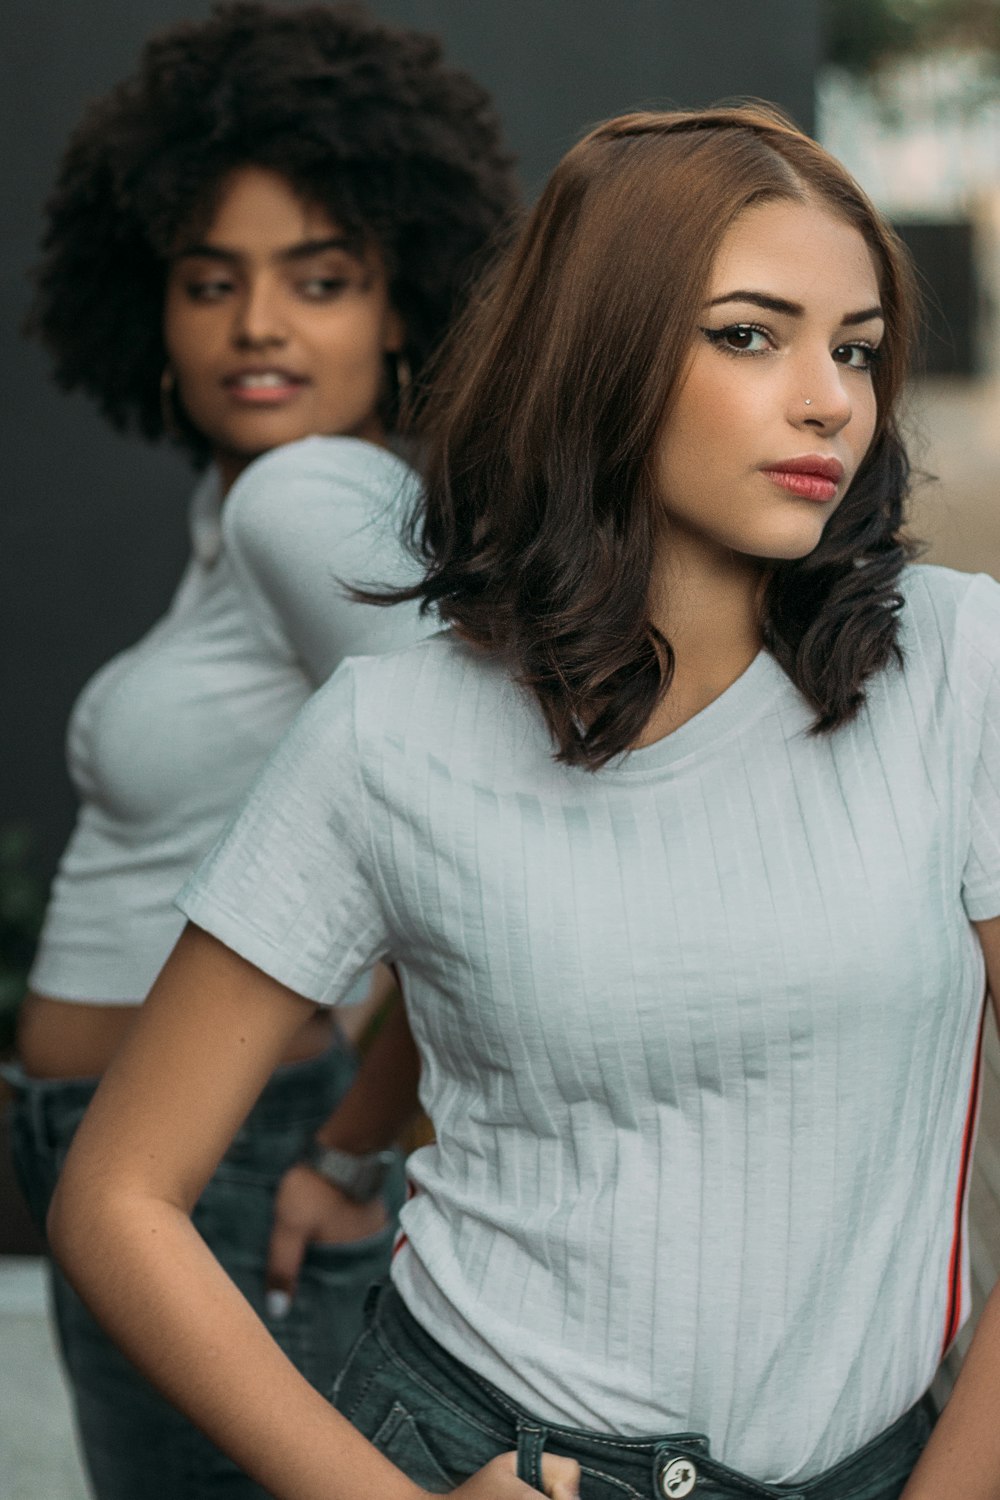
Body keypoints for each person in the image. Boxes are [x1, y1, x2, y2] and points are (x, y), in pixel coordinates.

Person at [47, 102, 1000, 1500]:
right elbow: (116, 1196)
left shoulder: (962, 666)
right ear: (601, 351)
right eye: (750, 334)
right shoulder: (394, 731)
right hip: (476, 1451)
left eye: (855, 346)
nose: (831, 399)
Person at [6, 5, 515, 1497]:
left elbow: (486, 813)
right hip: (162, 1155)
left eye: (323, 279)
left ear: (403, 306)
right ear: (150, 311)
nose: (259, 326)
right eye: (210, 281)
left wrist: (361, 1141)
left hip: (222, 1167)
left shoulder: (305, 502)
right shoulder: (254, 513)